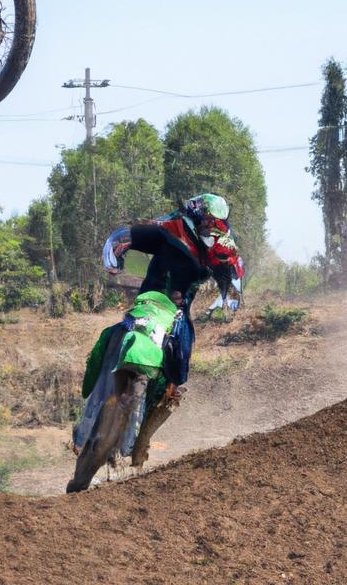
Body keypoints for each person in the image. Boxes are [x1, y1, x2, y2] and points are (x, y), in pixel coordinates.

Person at [75, 193, 243, 469]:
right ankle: (84, 429)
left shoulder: (220, 245)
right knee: (110, 337)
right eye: (207, 221)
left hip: (177, 315)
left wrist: (229, 294)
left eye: (215, 224)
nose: (209, 228)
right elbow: (128, 236)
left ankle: (143, 440)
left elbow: (233, 272)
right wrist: (115, 251)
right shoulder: (173, 228)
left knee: (177, 375)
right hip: (148, 303)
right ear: (197, 213)